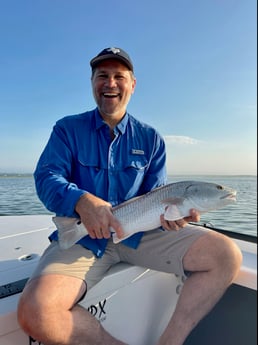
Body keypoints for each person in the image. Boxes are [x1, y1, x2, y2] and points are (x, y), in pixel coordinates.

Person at [18, 47, 242, 345]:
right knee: (35, 313)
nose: (110, 83)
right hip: (85, 239)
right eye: (103, 76)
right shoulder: (67, 129)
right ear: (92, 82)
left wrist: (172, 221)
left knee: (226, 254)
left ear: (132, 84)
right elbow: (46, 178)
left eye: (119, 76)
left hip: (142, 234)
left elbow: (158, 195)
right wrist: (81, 201)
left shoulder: (151, 139)